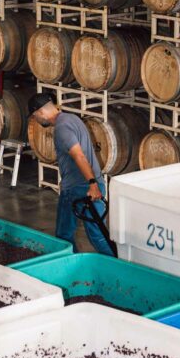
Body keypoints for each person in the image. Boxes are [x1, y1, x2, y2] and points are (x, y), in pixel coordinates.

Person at [27, 93, 114, 256]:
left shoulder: (62, 128)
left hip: (77, 189)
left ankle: (71, 268)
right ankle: (118, 267)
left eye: (35, 117)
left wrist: (92, 184)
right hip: (91, 184)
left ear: (40, 112)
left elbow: (79, 155)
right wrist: (95, 183)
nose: (37, 121)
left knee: (63, 235)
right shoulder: (72, 118)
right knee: (99, 234)